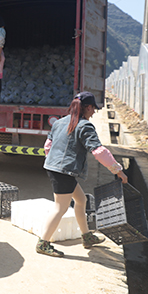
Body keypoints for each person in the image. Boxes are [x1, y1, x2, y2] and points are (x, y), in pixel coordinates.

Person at [37, 92, 128, 257]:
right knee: (60, 207)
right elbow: (99, 151)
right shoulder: (85, 126)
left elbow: (48, 145)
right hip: (63, 171)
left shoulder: (60, 122)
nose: (94, 112)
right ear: (87, 107)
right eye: (93, 108)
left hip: (57, 168)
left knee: (81, 200)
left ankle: (86, 237)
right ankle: (43, 243)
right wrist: (118, 170)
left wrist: (52, 162)